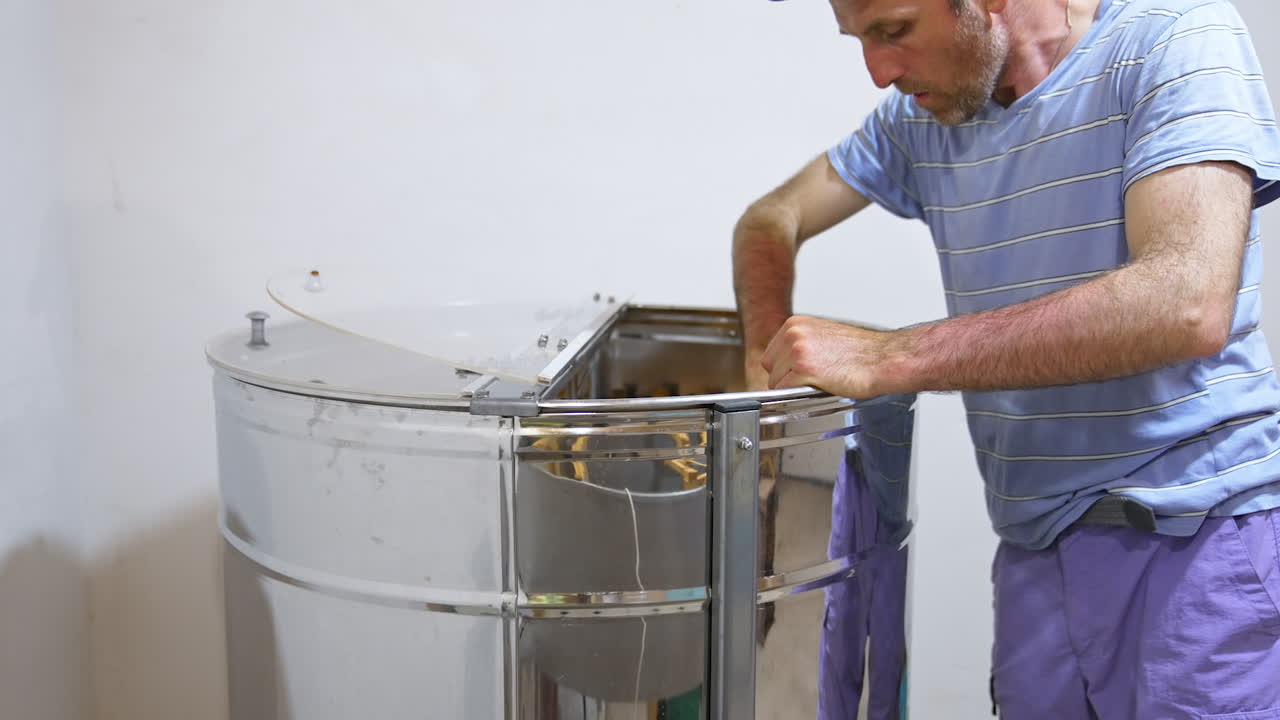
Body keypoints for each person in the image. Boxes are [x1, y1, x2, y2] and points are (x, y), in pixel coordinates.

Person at [733, 0, 1280, 717]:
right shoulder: (921, 120)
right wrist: (762, 355)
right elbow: (772, 217)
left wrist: (895, 356)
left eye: (892, 31)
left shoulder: (1174, 38)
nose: (877, 71)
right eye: (859, 39)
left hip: (1193, 548)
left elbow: (1183, 303)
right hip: (1034, 555)